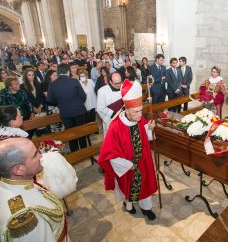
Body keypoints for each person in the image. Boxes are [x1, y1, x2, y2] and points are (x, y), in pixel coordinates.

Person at [0, 137, 74, 242]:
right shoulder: (27, 222)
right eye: (35, 155)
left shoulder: (6, 185)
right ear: (18, 170)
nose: (40, 156)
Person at [98, 79, 157, 220]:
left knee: (145, 184)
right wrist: (128, 165)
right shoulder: (115, 126)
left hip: (142, 162)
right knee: (129, 188)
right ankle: (128, 205)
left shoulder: (139, 118)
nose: (140, 114)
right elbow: (110, 154)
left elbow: (145, 136)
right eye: (136, 111)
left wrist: (149, 128)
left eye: (141, 110)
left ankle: (146, 208)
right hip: (127, 167)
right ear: (125, 109)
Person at [47, 63, 87, 152]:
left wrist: (59, 103)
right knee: (81, 132)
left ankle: (75, 151)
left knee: (70, 133)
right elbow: (83, 96)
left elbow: (49, 99)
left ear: (58, 72)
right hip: (78, 110)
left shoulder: (53, 84)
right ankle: (84, 150)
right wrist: (79, 103)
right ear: (68, 71)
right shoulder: (74, 81)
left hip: (65, 112)